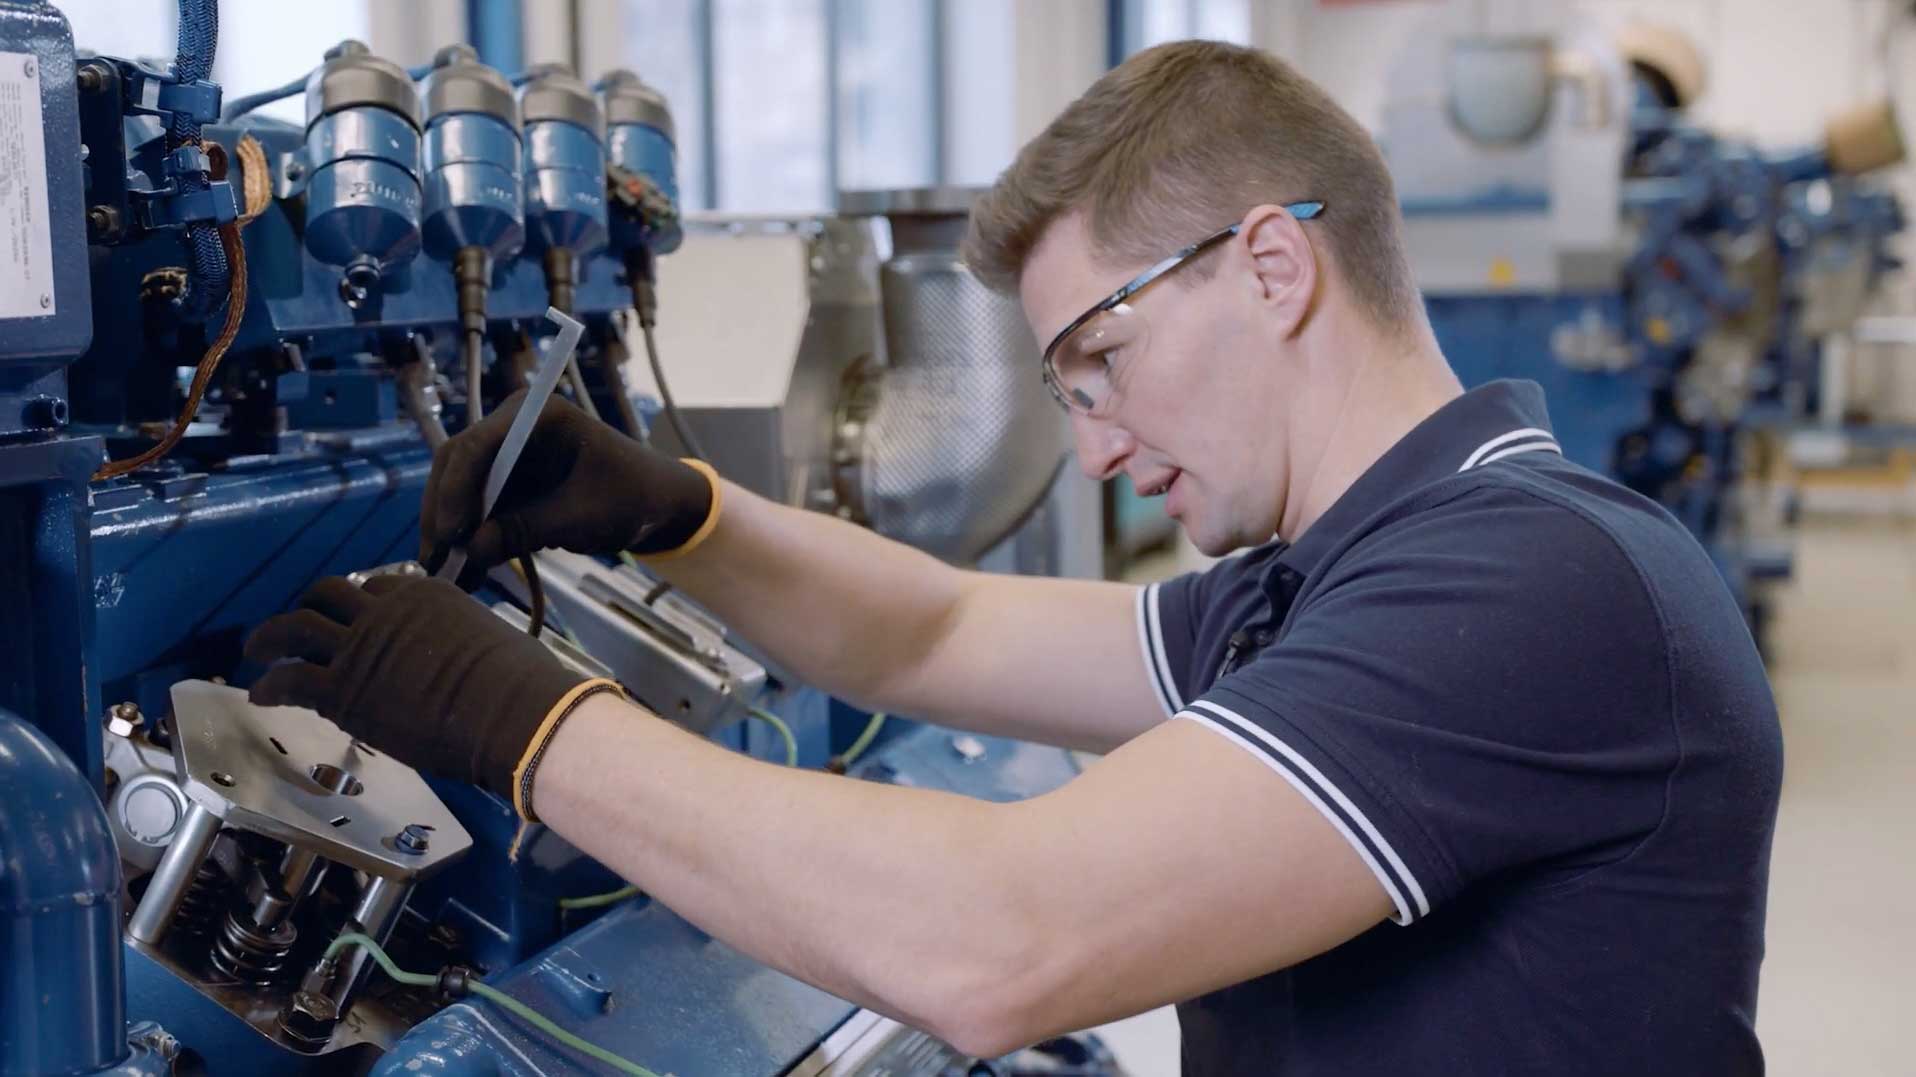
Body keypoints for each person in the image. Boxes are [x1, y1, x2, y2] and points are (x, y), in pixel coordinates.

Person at [245, 40, 1783, 1075]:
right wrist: (680, 514)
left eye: (1098, 361)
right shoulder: (1343, 572)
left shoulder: (1532, 587)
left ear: (1269, 263)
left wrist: (535, 729)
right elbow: (935, 635)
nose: (1096, 444)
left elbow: (999, 940)